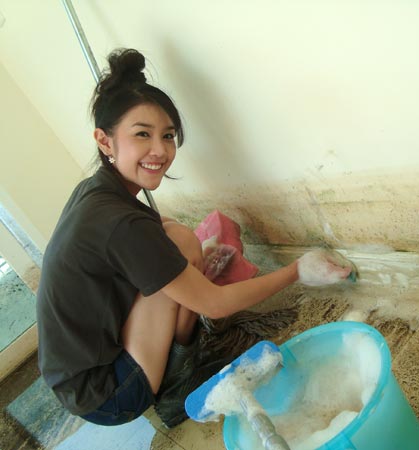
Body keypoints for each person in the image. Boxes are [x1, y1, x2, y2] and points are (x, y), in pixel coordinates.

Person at [36, 48, 353, 428]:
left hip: (79, 372)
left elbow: (161, 236)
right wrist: (297, 271)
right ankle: (174, 387)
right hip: (107, 393)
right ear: (105, 141)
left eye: (167, 136)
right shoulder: (117, 222)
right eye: (142, 135)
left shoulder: (96, 191)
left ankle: (177, 358)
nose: (160, 150)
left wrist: (196, 257)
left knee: (181, 239)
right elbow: (216, 304)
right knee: (179, 253)